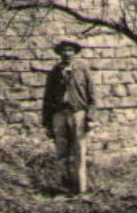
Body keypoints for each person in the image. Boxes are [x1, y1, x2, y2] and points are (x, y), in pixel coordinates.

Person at [41, 39, 96, 195]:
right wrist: (47, 123)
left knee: (79, 151)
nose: (67, 53)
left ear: (74, 52)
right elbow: (47, 99)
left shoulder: (83, 69)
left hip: (78, 113)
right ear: (59, 53)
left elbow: (92, 95)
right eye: (64, 50)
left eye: (70, 50)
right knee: (61, 153)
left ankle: (81, 190)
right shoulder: (54, 72)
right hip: (59, 114)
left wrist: (90, 117)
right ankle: (65, 189)